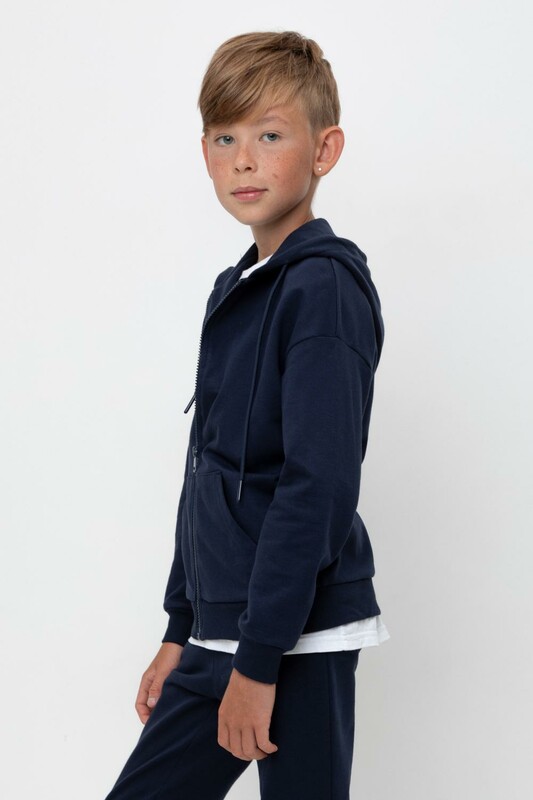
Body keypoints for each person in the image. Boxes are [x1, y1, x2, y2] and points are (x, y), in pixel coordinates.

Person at [104, 30, 389, 800]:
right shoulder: (238, 289)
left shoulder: (322, 289)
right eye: (224, 138)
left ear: (323, 150)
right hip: (227, 629)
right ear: (204, 153)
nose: (243, 160)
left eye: (269, 135)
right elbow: (210, 469)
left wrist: (259, 663)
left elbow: (316, 485)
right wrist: (181, 628)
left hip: (293, 637)